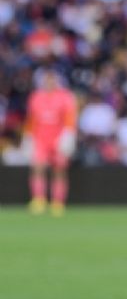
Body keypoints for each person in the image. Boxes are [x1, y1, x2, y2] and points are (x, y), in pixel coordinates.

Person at [23, 68, 78, 216]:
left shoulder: (65, 97)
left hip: (58, 139)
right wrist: (28, 137)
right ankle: (39, 200)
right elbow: (31, 119)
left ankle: (57, 202)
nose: (49, 82)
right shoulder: (36, 97)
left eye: (52, 79)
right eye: (47, 80)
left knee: (59, 170)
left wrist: (68, 136)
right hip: (40, 138)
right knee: (38, 167)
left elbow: (70, 118)